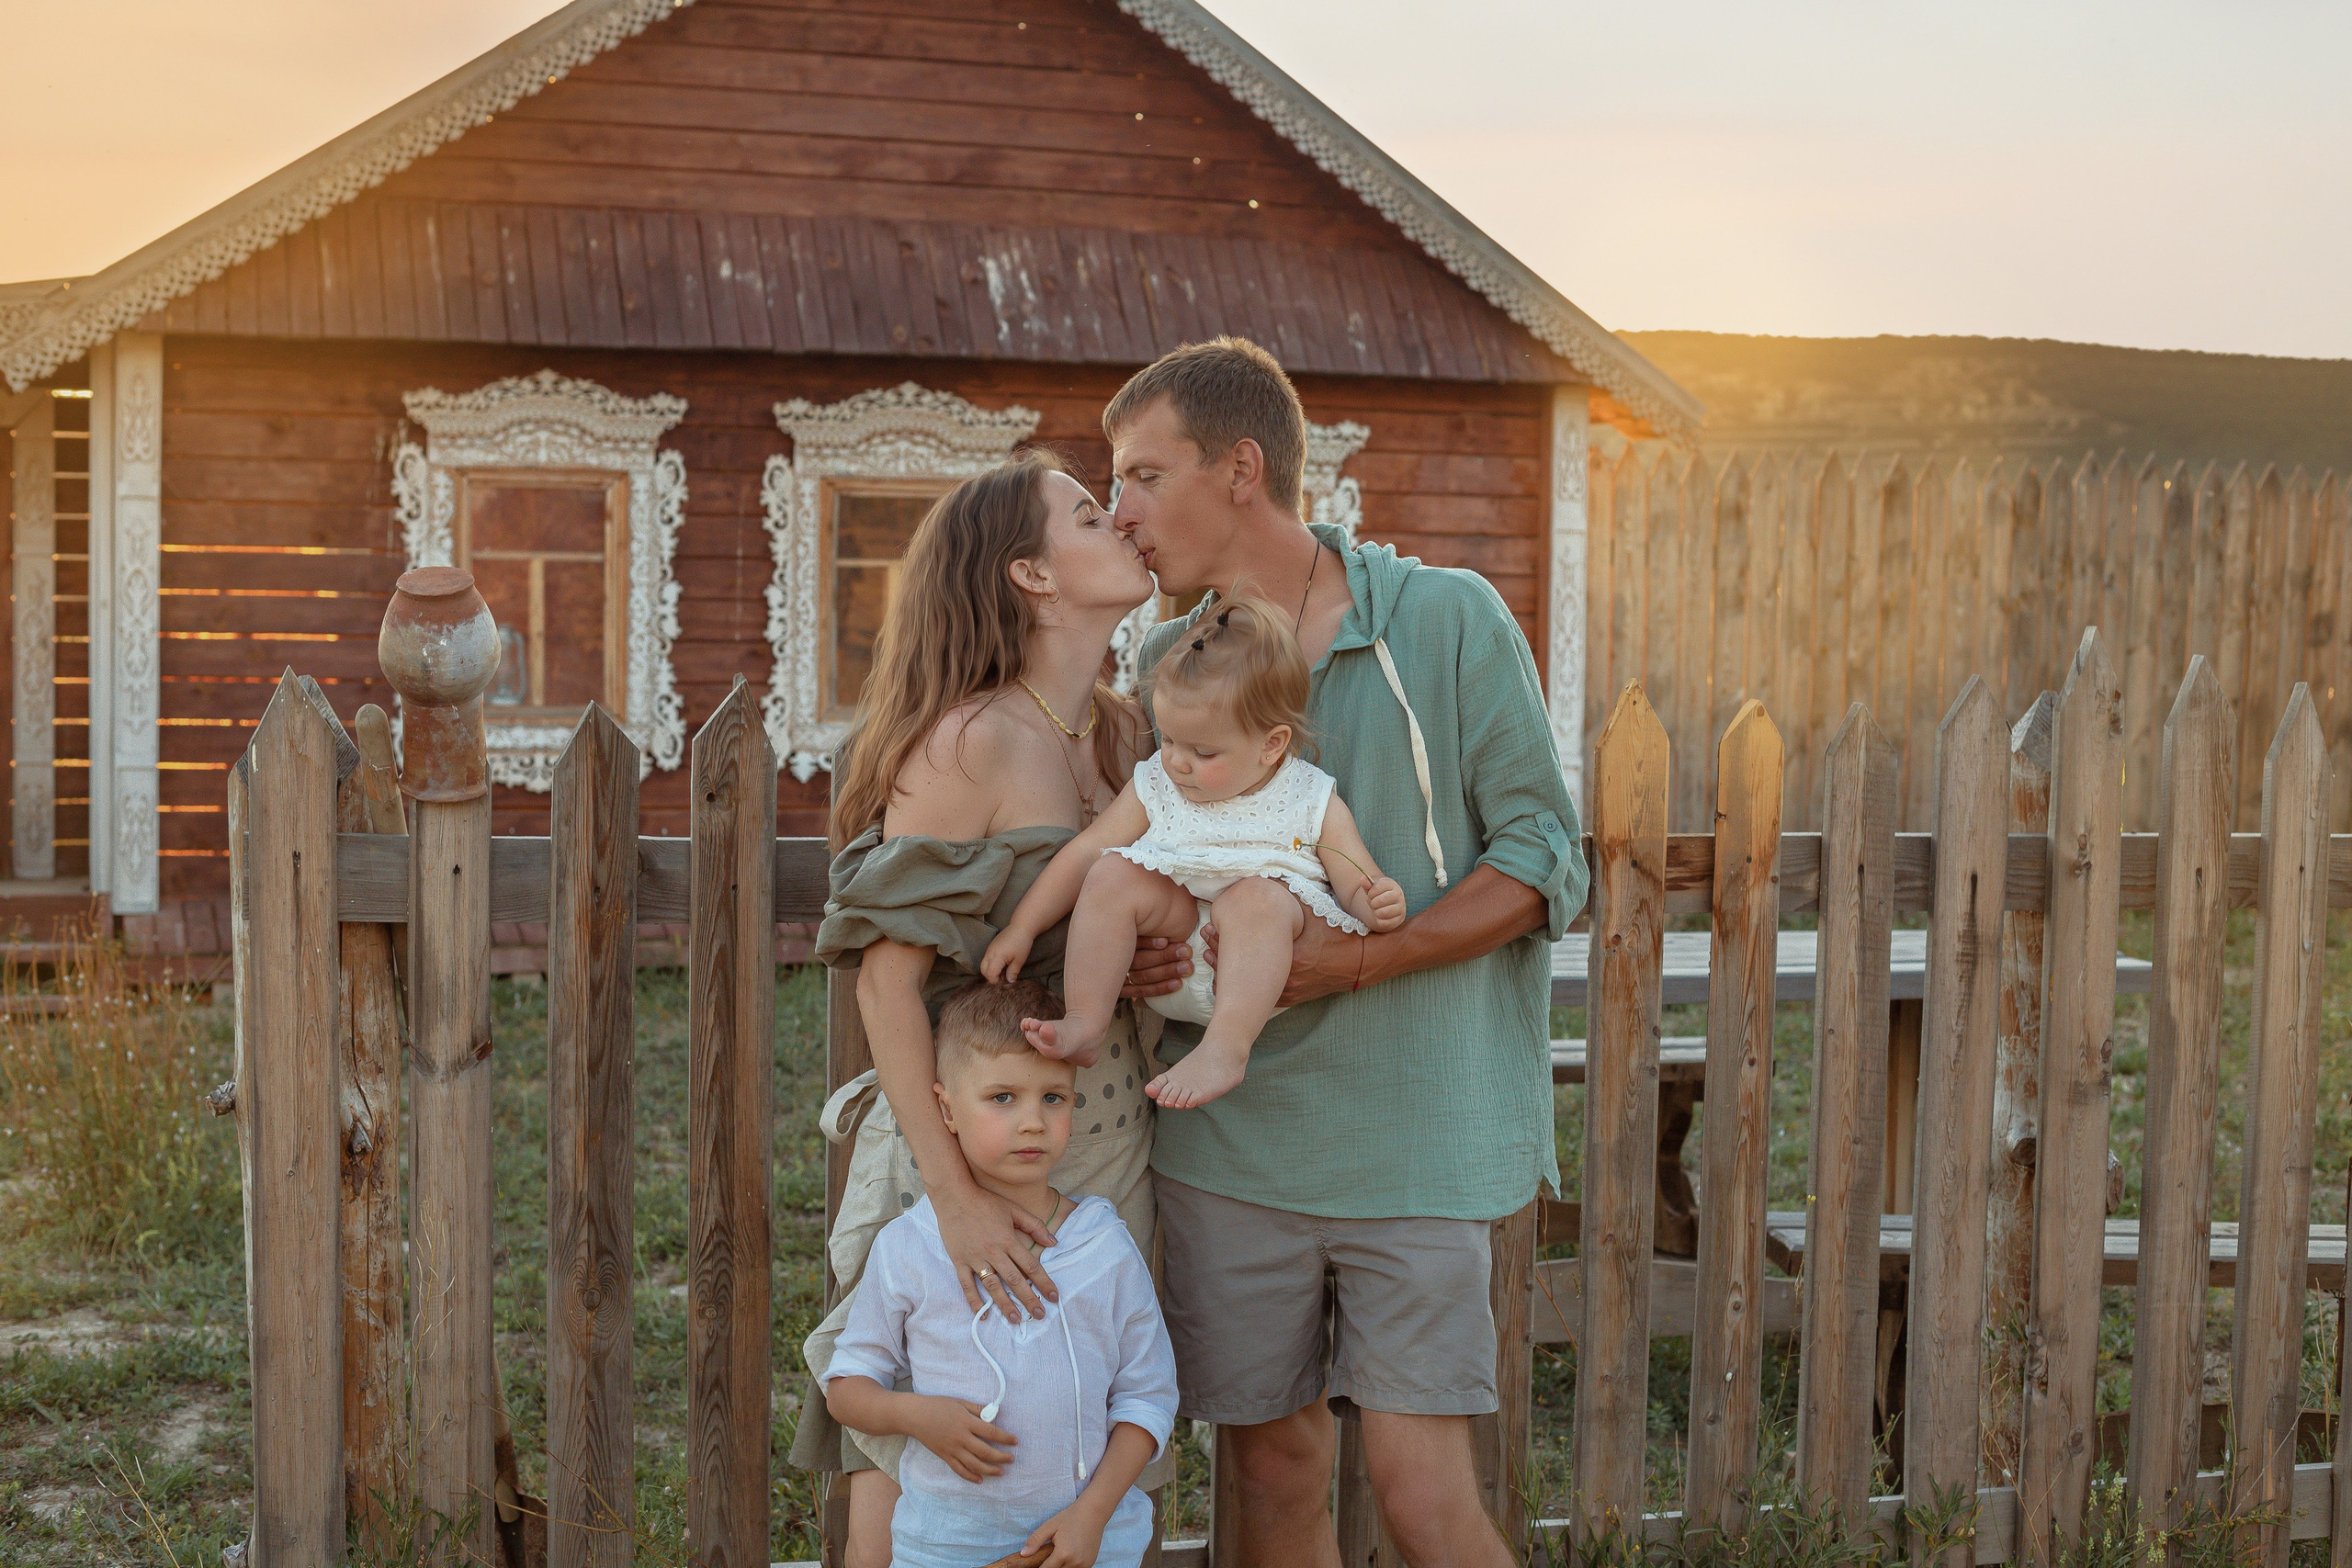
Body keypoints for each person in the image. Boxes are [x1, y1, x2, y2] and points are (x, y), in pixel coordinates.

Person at [1110, 338, 1589, 1568]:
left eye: (1144, 474)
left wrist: (1358, 962)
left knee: (1419, 1492)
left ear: (1240, 469)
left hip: (1418, 1134)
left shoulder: (1443, 619)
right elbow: (1140, 866)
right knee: (1271, 1475)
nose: (1122, 511)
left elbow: (1545, 858)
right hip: (1234, 1138)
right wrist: (1148, 952)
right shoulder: (1156, 663)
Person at [789, 453, 1173, 1568]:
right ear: (1030, 575)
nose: (1125, 527)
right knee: (921, 1431)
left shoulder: (1122, 736)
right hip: (969, 1134)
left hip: (1102, 1136)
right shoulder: (969, 740)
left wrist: (1149, 958)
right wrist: (953, 1200)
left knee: (1085, 1404)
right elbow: (885, 980)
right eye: (1090, 516)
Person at [981, 594, 1409, 1109]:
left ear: (1271, 744)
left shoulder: (1310, 799)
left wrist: (1377, 902)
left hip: (1254, 975)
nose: (1178, 763)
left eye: (1203, 751)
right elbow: (1084, 852)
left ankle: (1226, 1048)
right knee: (1113, 870)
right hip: (1176, 945)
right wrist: (1023, 927)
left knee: (1256, 898)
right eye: (1170, 740)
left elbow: (1355, 880)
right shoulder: (1158, 783)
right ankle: (1085, 1021)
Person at [823, 979, 1179, 1568]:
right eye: (1003, 1098)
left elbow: (1148, 1397)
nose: (1034, 1122)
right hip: (944, 1547)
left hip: (1093, 1544)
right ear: (945, 1110)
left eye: (1054, 1098)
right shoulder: (907, 1248)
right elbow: (848, 1388)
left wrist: (1092, 1517)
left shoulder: (1103, 1247)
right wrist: (919, 1417)